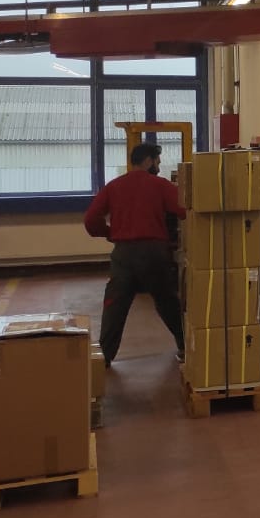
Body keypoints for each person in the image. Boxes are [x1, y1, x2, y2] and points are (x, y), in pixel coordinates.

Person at [84, 142, 188, 366]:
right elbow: (184, 209)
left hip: (123, 254)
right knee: (167, 301)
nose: (159, 166)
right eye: (157, 162)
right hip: (154, 252)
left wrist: (111, 233)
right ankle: (186, 346)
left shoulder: (114, 186)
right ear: (148, 161)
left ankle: (104, 358)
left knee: (114, 305)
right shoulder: (160, 185)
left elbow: (90, 220)